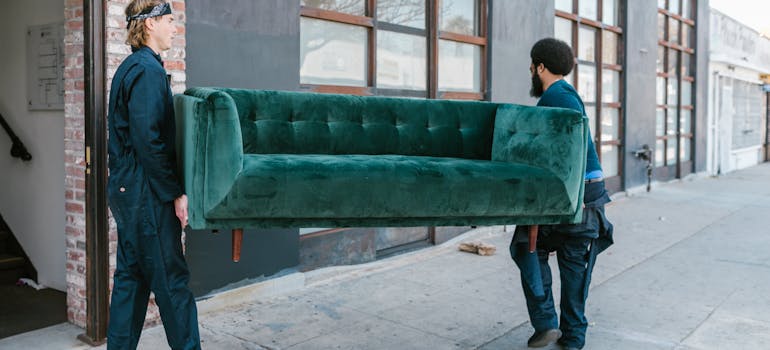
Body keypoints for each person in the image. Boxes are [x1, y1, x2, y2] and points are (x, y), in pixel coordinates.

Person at [106, 1, 200, 349]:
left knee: (130, 281)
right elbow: (149, 140)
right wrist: (175, 193)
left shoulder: (133, 67)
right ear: (149, 25)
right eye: (170, 20)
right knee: (172, 284)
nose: (175, 27)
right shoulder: (146, 71)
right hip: (146, 194)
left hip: (128, 190)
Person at [510, 38, 614, 350]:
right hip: (588, 194)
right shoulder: (567, 95)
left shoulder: (557, 97)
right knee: (572, 263)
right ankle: (573, 338)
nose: (530, 69)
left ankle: (545, 323)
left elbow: (568, 149)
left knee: (525, 247)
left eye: (532, 63)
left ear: (540, 66)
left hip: (572, 195)